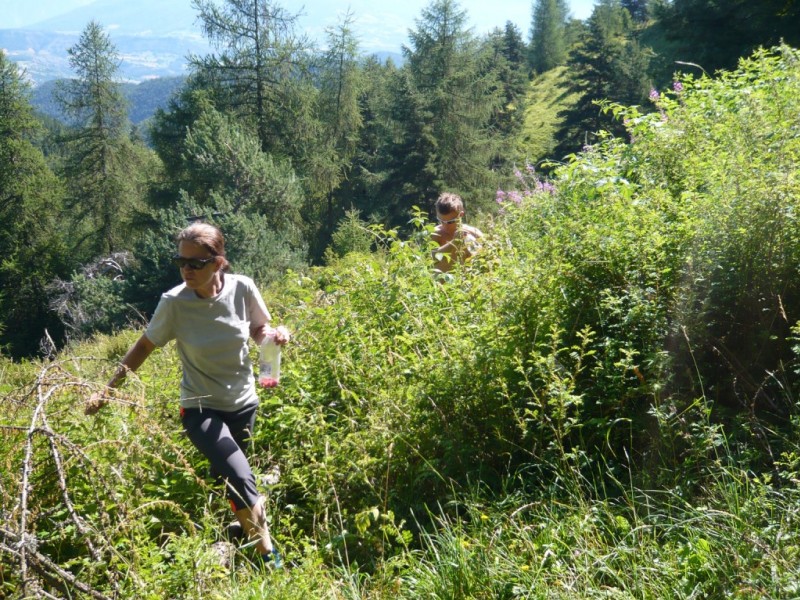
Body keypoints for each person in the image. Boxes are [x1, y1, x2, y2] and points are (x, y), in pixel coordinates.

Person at [85, 222, 288, 568]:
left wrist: (274, 336)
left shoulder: (242, 288)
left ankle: (238, 530)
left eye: (196, 263)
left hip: (243, 403)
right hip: (199, 407)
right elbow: (145, 345)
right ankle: (271, 560)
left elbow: (257, 328)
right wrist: (107, 391)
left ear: (219, 262)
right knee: (240, 476)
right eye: (181, 262)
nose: (187, 270)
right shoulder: (174, 303)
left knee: (234, 479)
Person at [431, 192, 483, 273]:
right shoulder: (435, 234)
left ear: (461, 215)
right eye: (441, 221)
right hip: (442, 284)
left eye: (450, 222)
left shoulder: (474, 233)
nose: (445, 226)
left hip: (468, 282)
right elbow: (431, 257)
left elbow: (487, 257)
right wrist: (454, 242)